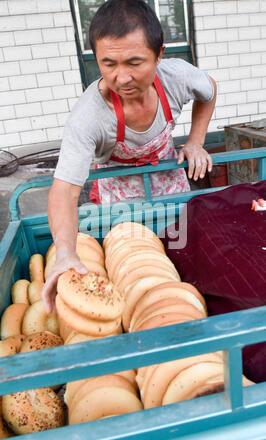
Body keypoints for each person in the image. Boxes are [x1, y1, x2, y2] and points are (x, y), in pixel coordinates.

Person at [41, 0, 217, 313]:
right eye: (108, 64)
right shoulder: (88, 117)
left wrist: (196, 141)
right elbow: (65, 190)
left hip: (169, 187)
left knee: (181, 262)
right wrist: (65, 252)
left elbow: (210, 90)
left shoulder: (177, 77)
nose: (121, 78)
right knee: (131, 276)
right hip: (119, 201)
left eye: (134, 63)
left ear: (160, 55)